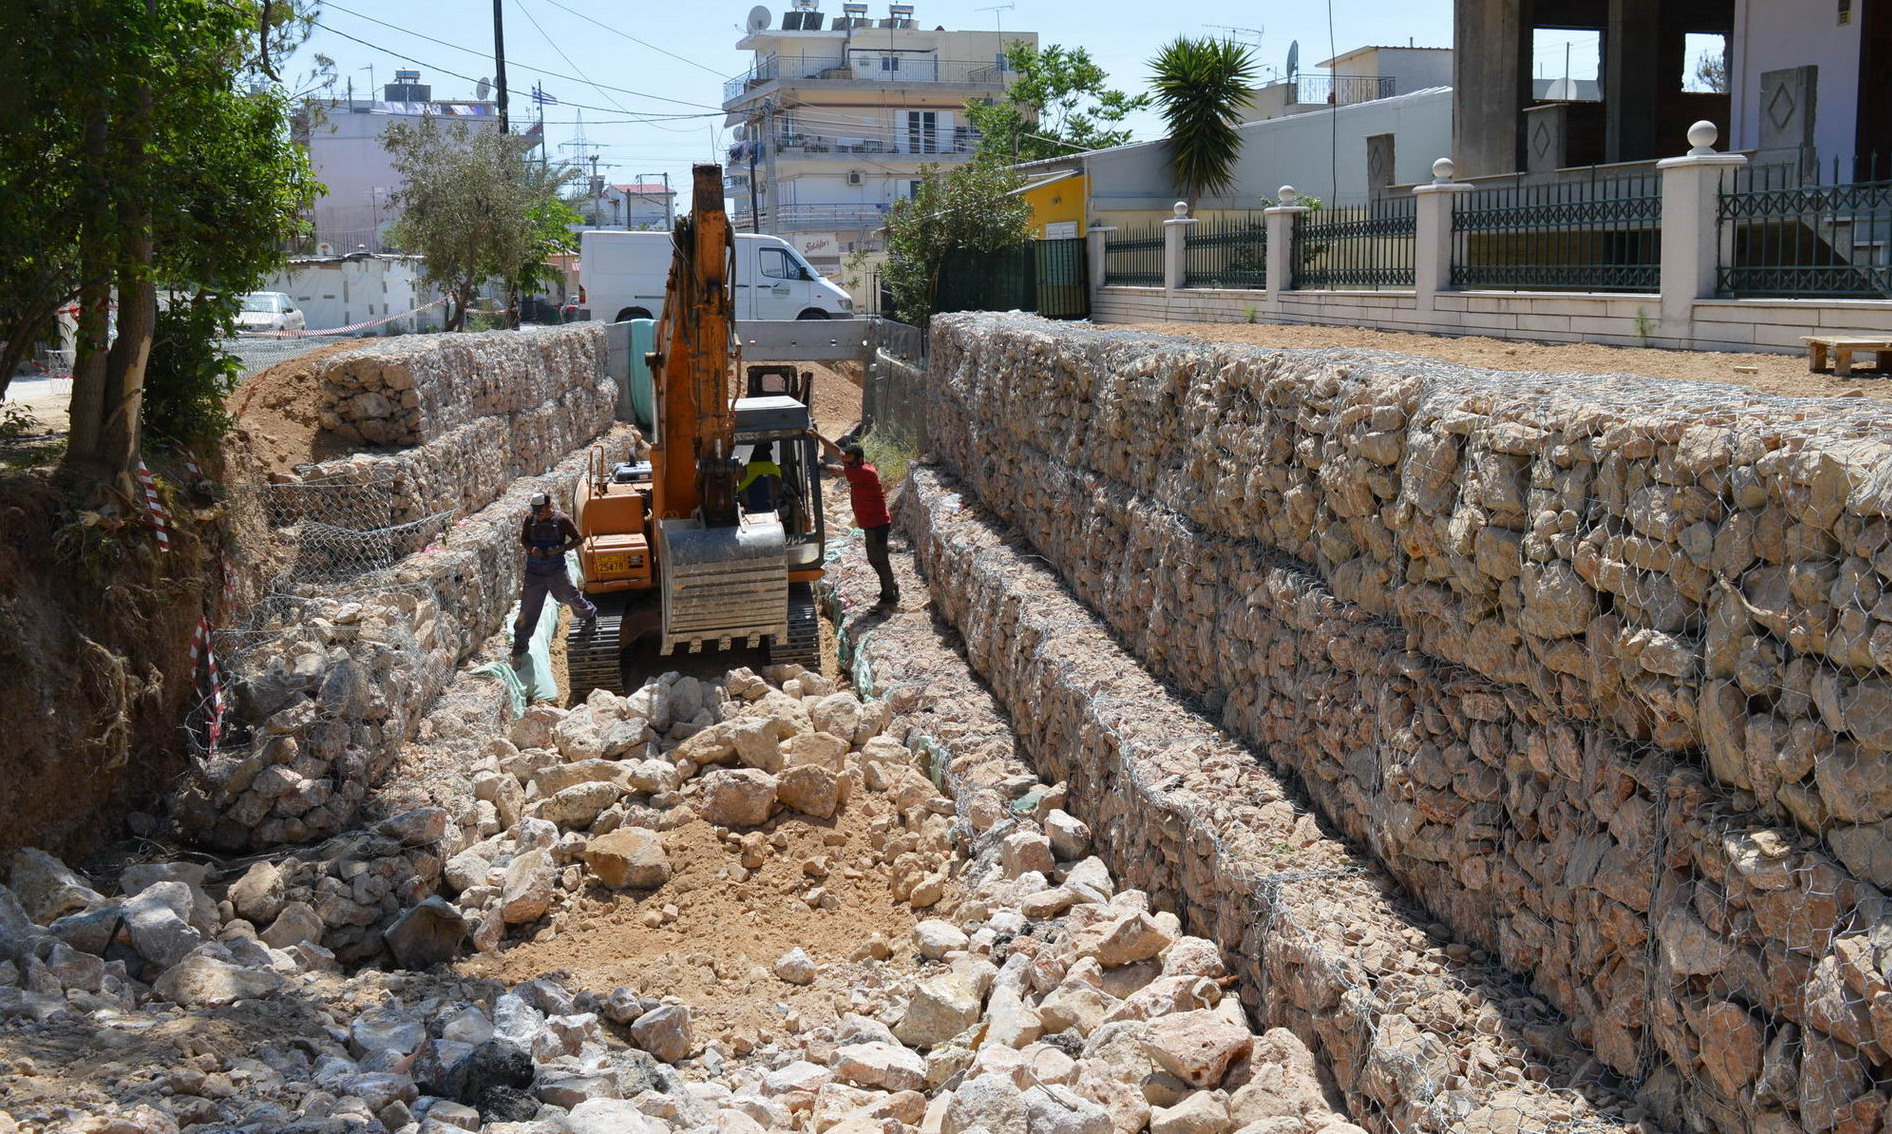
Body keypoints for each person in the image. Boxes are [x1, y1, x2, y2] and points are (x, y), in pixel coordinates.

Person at [815, 433, 899, 609]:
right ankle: (890, 586)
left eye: (850, 462)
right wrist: (816, 435)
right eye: (846, 461)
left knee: (879, 559)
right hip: (871, 523)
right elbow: (837, 450)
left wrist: (821, 465)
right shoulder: (855, 465)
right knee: (875, 559)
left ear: (859, 460)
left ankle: (889, 596)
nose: (847, 463)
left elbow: (838, 471)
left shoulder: (864, 472)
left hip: (877, 523)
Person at [513, 490, 596, 657]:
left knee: (571, 597)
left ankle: (589, 615)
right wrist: (532, 549)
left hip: (556, 570)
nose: (538, 516)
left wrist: (561, 548)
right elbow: (524, 539)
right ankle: (520, 643)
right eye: (536, 512)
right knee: (528, 609)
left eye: (541, 512)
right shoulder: (530, 520)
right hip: (534, 572)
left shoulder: (562, 520)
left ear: (549, 506)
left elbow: (578, 539)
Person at [738, 442, 783, 515]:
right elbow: (780, 490)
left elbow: (739, 490)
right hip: (772, 508)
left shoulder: (746, 470)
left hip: (749, 508)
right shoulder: (774, 469)